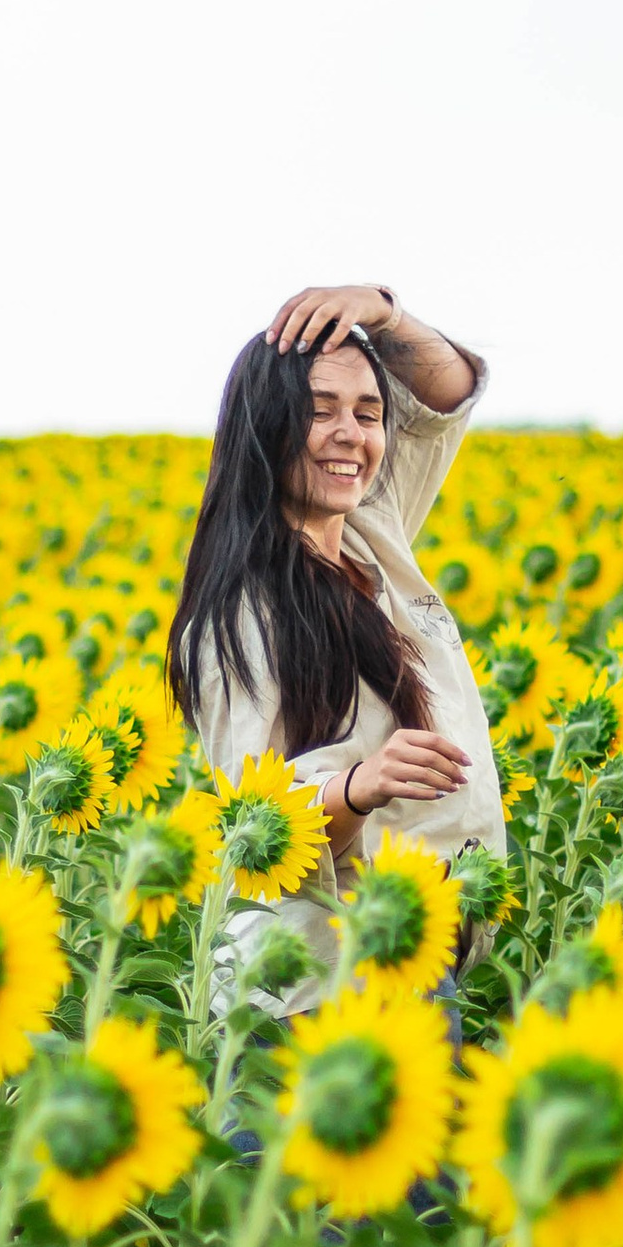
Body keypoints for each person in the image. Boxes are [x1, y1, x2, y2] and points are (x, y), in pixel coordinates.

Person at [165, 282, 504, 1015]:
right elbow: (258, 823)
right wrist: (362, 784)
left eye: (368, 413)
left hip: (406, 954)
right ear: (267, 427)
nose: (350, 434)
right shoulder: (238, 619)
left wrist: (383, 309)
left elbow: (445, 391)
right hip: (311, 993)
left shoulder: (369, 531)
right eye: (319, 411)